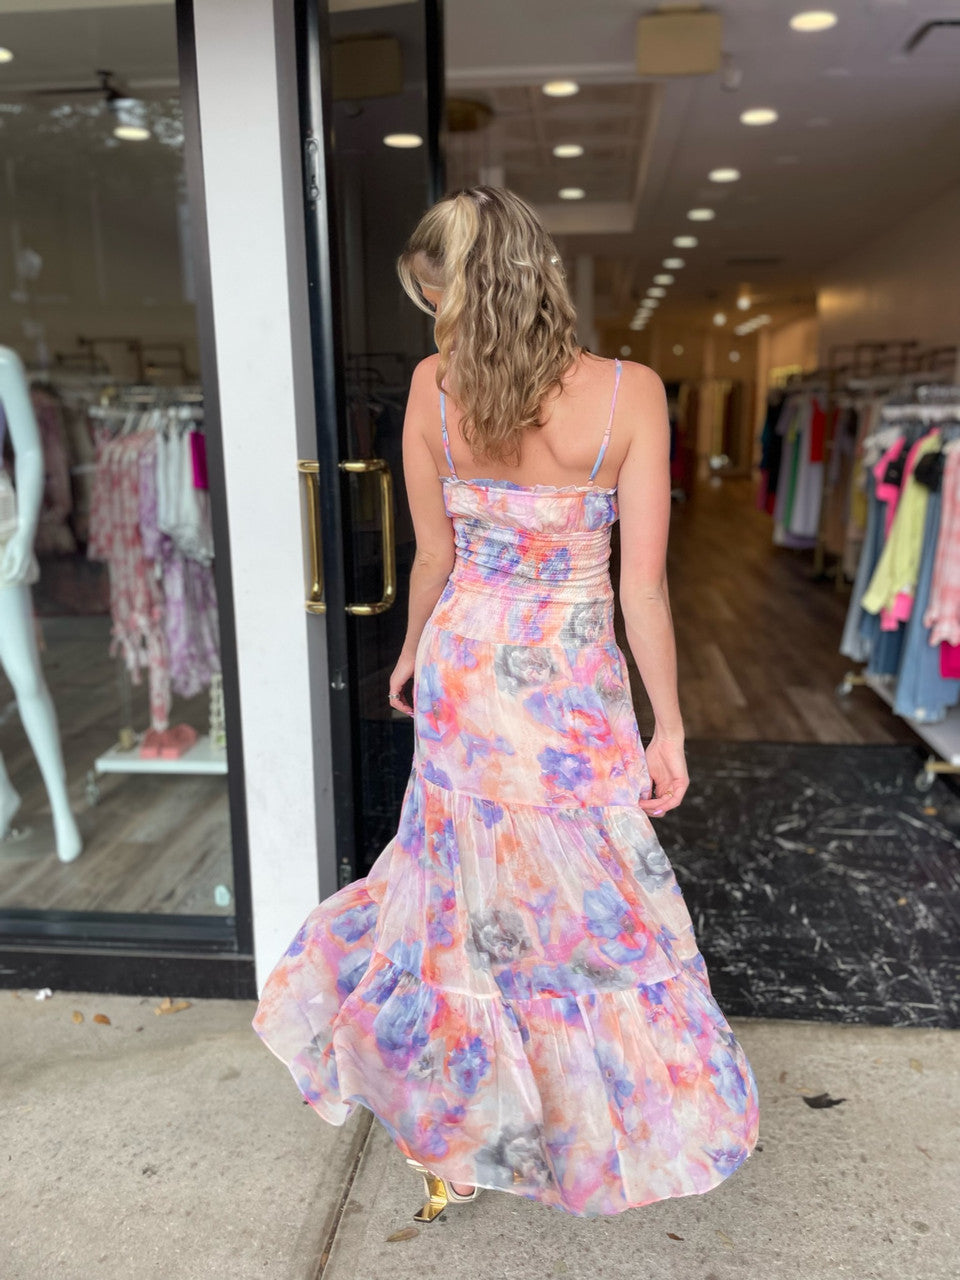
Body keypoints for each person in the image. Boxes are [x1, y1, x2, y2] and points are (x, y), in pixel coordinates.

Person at [252, 186, 759, 1221]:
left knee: (459, 902)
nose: (432, 319)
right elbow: (643, 588)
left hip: (468, 670)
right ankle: (581, 1127)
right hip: (570, 685)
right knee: (588, 905)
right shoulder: (629, 393)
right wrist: (667, 723)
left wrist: (410, 651)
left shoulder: (435, 387)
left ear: (462, 291)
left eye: (432, 296)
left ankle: (460, 1130)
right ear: (540, 271)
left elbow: (434, 555)